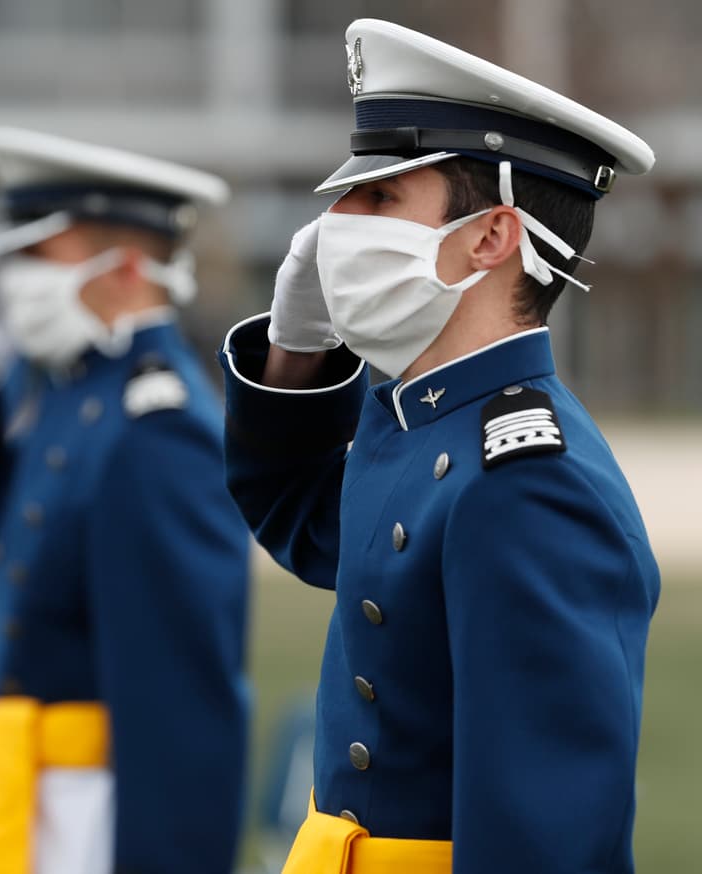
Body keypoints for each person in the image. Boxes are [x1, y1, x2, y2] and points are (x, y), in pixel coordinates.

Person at [219, 19, 660, 874]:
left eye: (380, 198)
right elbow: (301, 519)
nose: (335, 223)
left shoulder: (529, 479)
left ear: (491, 237)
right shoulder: (420, 419)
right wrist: (296, 347)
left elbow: (543, 838)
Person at [0, 127, 252, 874]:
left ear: (127, 268)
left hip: (93, 810)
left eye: (37, 257)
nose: (14, 282)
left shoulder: (158, 428)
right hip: (25, 787)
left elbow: (180, 702)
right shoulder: (70, 388)